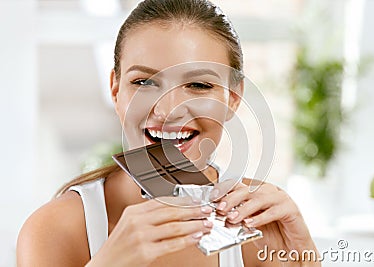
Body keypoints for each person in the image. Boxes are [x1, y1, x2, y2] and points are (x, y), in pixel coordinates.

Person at [17, 0, 320, 266]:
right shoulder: (56, 230)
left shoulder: (262, 225)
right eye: (144, 82)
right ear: (115, 90)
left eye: (199, 85)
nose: (168, 110)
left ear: (233, 98)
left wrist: (306, 257)